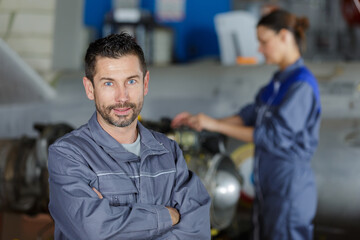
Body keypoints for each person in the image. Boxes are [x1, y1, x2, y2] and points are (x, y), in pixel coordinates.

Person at [172, 9, 321, 240]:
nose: (259, 49)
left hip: (288, 189)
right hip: (269, 188)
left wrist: (217, 126)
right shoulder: (277, 82)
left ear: (284, 36)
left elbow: (271, 136)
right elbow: (249, 115)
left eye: (263, 42)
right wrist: (203, 122)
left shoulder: (301, 86)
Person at [48, 33, 211, 240]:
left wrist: (117, 221)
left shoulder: (168, 152)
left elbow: (197, 230)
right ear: (90, 88)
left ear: (145, 83)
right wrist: (168, 215)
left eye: (131, 81)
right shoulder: (69, 155)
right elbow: (93, 231)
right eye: (109, 83)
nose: (122, 97)